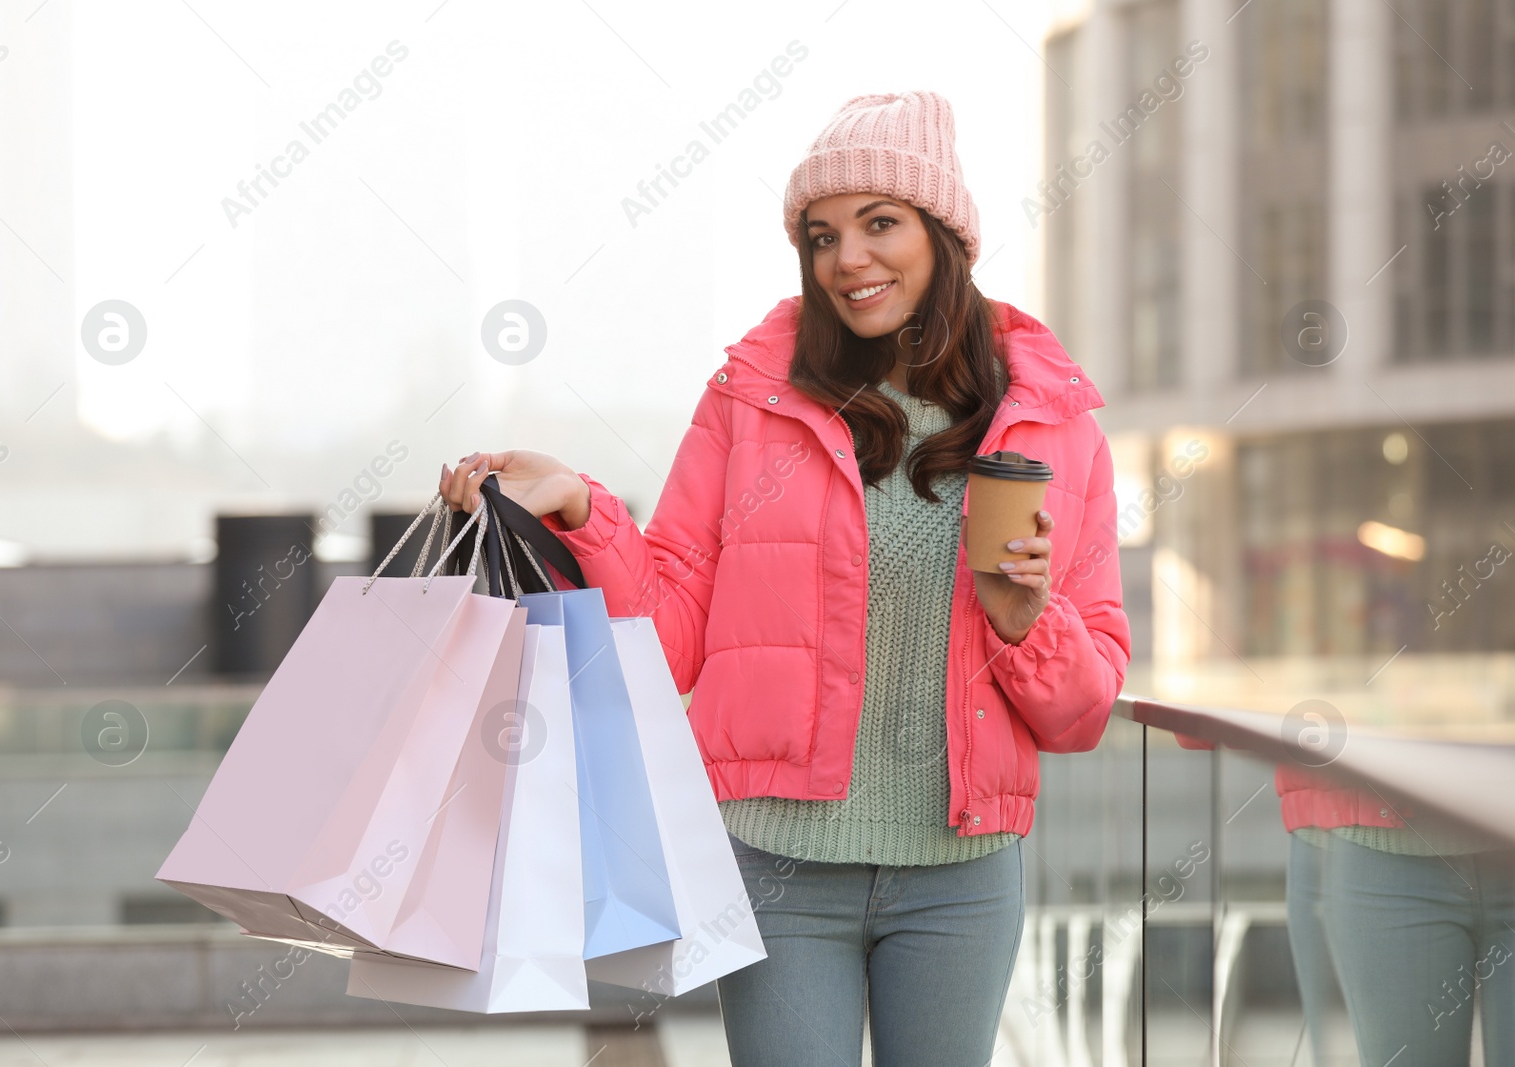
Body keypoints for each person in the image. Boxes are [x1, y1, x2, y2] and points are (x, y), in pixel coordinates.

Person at [440, 90, 1130, 1066]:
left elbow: (1084, 712)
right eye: (820, 235)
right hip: (776, 869)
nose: (846, 259)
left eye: (878, 223)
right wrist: (582, 509)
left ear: (944, 235)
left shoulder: (1051, 422)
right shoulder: (752, 398)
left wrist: (1027, 619)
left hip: (961, 875)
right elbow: (668, 628)